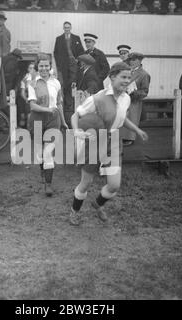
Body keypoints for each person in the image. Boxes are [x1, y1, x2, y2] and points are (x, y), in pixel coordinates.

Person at [69, 62, 148, 226]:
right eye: (123, 77)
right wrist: (76, 130)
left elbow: (122, 118)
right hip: (94, 142)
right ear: (112, 77)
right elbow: (75, 116)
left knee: (114, 185)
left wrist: (137, 130)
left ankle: (97, 205)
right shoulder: (97, 98)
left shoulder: (126, 98)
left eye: (129, 77)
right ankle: (74, 212)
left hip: (113, 142)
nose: (127, 81)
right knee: (86, 183)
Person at [27, 53, 68, 196]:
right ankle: (43, 172)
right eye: (41, 65)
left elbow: (59, 104)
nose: (44, 68)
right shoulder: (32, 82)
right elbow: (32, 106)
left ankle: (48, 185)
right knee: (40, 152)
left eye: (46, 65)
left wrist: (63, 121)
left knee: (48, 151)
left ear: (50, 66)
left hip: (53, 119)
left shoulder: (56, 82)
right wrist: (47, 110)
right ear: (37, 66)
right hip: (37, 118)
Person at [54, 21, 84, 118]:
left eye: (68, 27)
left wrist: (78, 60)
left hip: (74, 64)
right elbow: (56, 53)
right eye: (65, 27)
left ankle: (72, 108)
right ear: (63, 28)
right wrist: (59, 64)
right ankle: (66, 109)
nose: (67, 29)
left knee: (73, 84)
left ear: (71, 28)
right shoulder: (59, 39)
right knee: (64, 85)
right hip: (64, 66)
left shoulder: (76, 38)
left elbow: (81, 51)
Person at [120, 52, 150, 146]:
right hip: (123, 100)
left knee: (132, 119)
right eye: (130, 60)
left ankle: (130, 138)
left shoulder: (144, 74)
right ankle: (122, 137)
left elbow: (144, 92)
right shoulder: (127, 71)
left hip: (134, 101)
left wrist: (133, 93)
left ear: (140, 61)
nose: (131, 62)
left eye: (134, 60)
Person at [20, 62, 37, 127]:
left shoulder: (39, 77)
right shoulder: (25, 79)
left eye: (33, 68)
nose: (32, 69)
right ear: (28, 69)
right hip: (29, 101)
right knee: (30, 117)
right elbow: (22, 92)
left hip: (39, 101)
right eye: (30, 68)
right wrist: (26, 99)